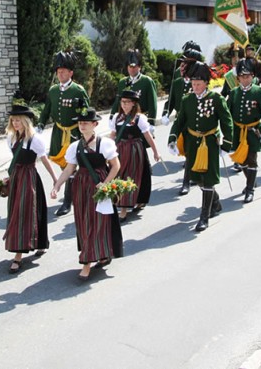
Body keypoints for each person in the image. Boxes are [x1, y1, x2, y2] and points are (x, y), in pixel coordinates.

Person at [51, 108, 123, 281]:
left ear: (95, 124)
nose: (82, 126)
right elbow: (69, 168)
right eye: (80, 123)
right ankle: (99, 253)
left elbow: (115, 166)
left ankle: (87, 263)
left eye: (86, 123)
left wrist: (105, 185)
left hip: (99, 186)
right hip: (81, 188)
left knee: (99, 221)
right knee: (84, 222)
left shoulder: (104, 143)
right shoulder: (75, 147)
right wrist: (57, 185)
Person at [168, 61, 233, 231]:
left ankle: (204, 217)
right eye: (193, 83)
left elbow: (227, 122)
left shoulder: (216, 99)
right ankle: (216, 202)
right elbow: (180, 120)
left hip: (210, 143)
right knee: (196, 177)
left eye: (198, 84)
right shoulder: (187, 99)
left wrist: (226, 144)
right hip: (192, 143)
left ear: (206, 83)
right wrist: (172, 138)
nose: (195, 86)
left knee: (208, 178)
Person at [4, 103, 56, 274]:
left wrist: (55, 179)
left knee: (25, 213)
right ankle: (39, 243)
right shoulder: (11, 138)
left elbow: (45, 160)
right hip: (17, 177)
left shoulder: (35, 139)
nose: (15, 123)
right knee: (16, 212)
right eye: (13, 120)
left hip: (29, 178)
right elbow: (14, 160)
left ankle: (18, 256)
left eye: (18, 120)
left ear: (25, 121)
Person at [37, 51, 89, 217]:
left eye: (63, 71)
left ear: (71, 73)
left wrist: (84, 122)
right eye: (58, 71)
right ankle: (74, 189)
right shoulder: (53, 90)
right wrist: (40, 125)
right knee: (63, 165)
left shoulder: (78, 90)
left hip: (74, 132)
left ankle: (67, 202)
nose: (60, 74)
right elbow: (46, 110)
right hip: (59, 132)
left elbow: (86, 113)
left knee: (71, 166)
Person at [109, 89, 160, 221]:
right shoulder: (116, 118)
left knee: (134, 176)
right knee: (120, 175)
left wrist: (155, 151)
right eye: (122, 102)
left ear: (133, 104)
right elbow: (112, 136)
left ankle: (127, 207)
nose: (124, 105)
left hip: (135, 151)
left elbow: (148, 137)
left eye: (127, 102)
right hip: (120, 150)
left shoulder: (139, 118)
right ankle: (123, 204)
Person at [227, 59, 261, 203]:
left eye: (247, 76)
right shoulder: (233, 93)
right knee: (241, 161)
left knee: (251, 160)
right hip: (239, 132)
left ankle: (250, 189)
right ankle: (251, 181)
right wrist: (226, 133)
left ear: (252, 76)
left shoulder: (258, 92)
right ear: (238, 78)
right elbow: (227, 114)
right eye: (242, 76)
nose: (245, 79)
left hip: (252, 131)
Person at [161, 48, 201, 195]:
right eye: (183, 63)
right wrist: (165, 114)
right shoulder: (177, 83)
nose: (182, 66)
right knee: (184, 149)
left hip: (195, 121)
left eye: (186, 63)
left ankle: (187, 182)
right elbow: (170, 102)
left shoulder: (198, 83)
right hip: (181, 120)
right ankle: (194, 175)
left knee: (191, 152)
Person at [111, 49, 158, 126]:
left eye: (134, 66)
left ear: (139, 67)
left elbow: (152, 104)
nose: (132, 69)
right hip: (125, 120)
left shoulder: (147, 81)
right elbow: (118, 101)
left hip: (142, 120)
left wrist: (151, 122)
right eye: (130, 66)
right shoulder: (122, 82)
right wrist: (112, 116)